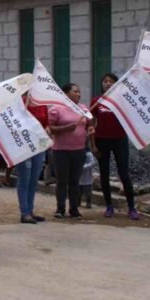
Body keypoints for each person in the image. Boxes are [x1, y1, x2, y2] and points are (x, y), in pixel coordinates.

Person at [90, 73, 139, 220]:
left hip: (120, 140)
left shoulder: (122, 101)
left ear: (116, 84)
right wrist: (92, 144)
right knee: (104, 174)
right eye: (105, 81)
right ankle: (109, 206)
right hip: (101, 140)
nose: (107, 84)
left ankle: (131, 207)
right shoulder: (97, 101)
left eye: (111, 81)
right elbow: (91, 124)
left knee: (124, 173)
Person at [48, 83, 93, 219]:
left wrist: (90, 128)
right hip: (61, 151)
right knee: (62, 181)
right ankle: (60, 208)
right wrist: (65, 128)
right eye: (75, 91)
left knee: (75, 181)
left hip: (79, 150)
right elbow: (49, 128)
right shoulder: (57, 109)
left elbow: (90, 122)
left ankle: (74, 209)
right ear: (66, 94)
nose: (78, 94)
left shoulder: (83, 109)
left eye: (79, 91)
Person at [16, 98, 49, 224]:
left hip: (39, 145)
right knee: (24, 179)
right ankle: (24, 213)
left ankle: (30, 210)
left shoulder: (42, 103)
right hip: (24, 145)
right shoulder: (20, 102)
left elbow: (46, 122)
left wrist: (47, 128)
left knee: (34, 180)